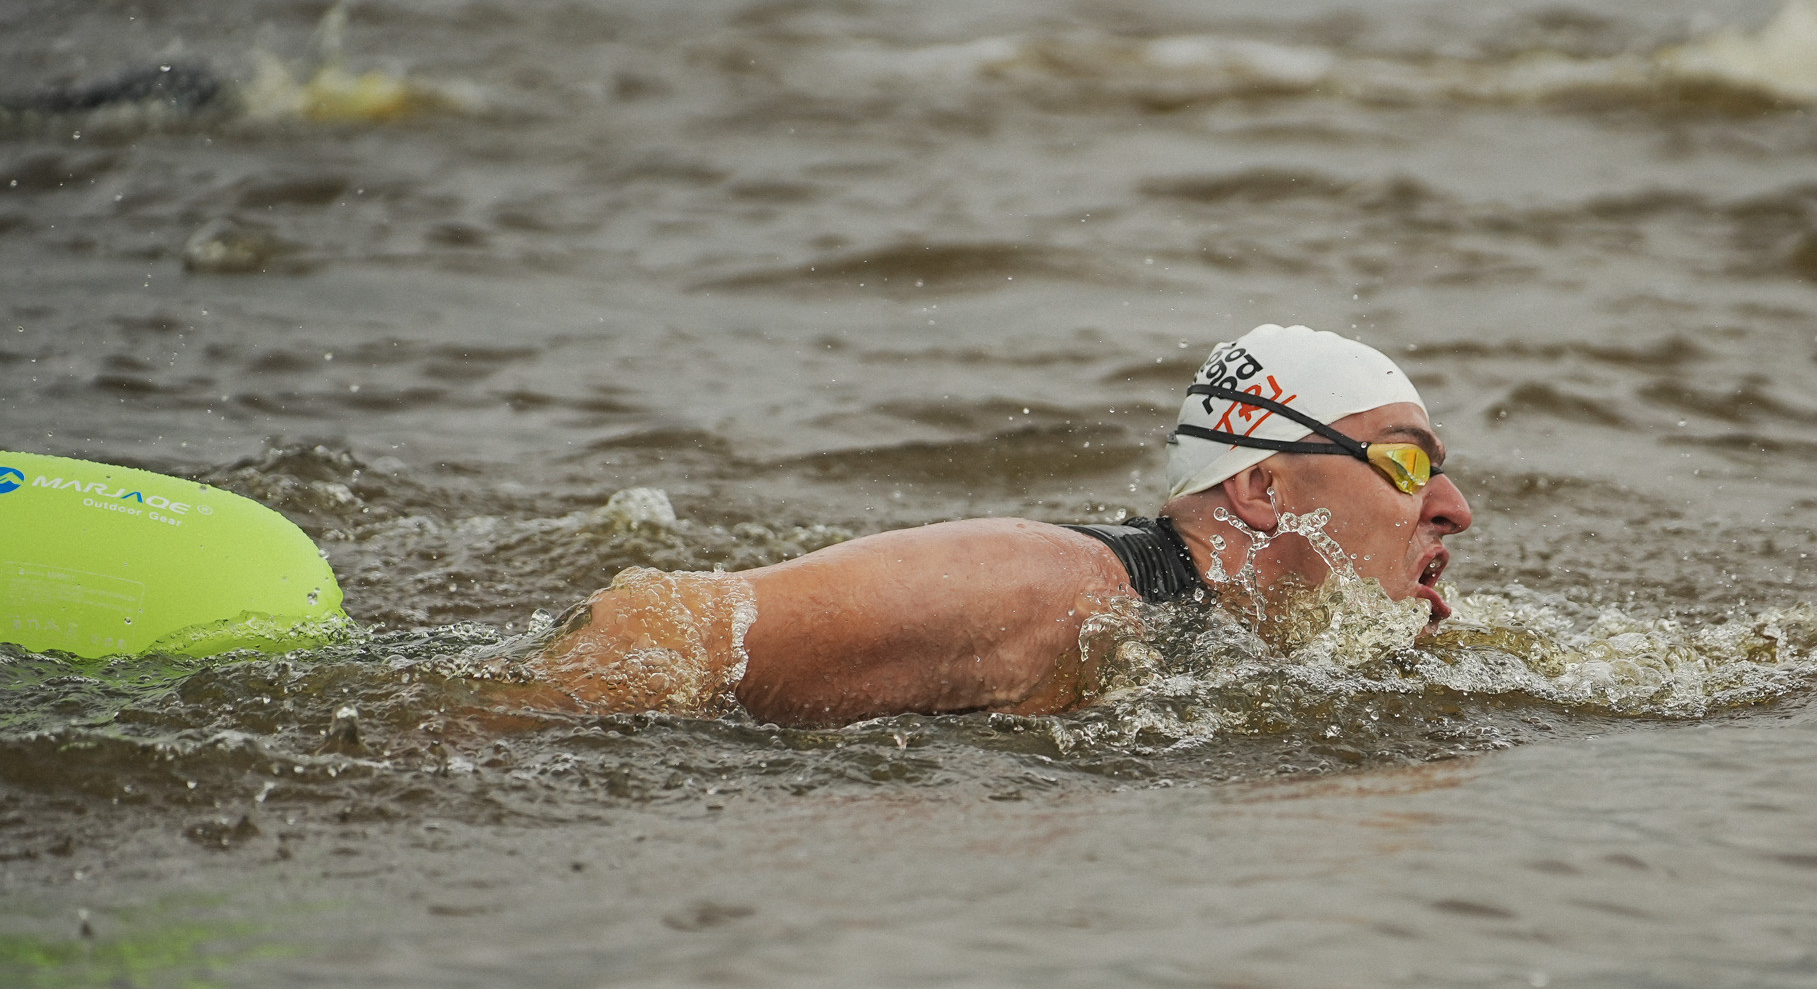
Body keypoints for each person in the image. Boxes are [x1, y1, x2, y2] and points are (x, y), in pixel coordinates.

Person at [519, 325, 1473, 726]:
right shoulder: (1050, 586)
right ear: (1263, 491)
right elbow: (656, 630)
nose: (1452, 508)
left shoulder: (1235, 638)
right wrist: (434, 740)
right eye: (1403, 463)